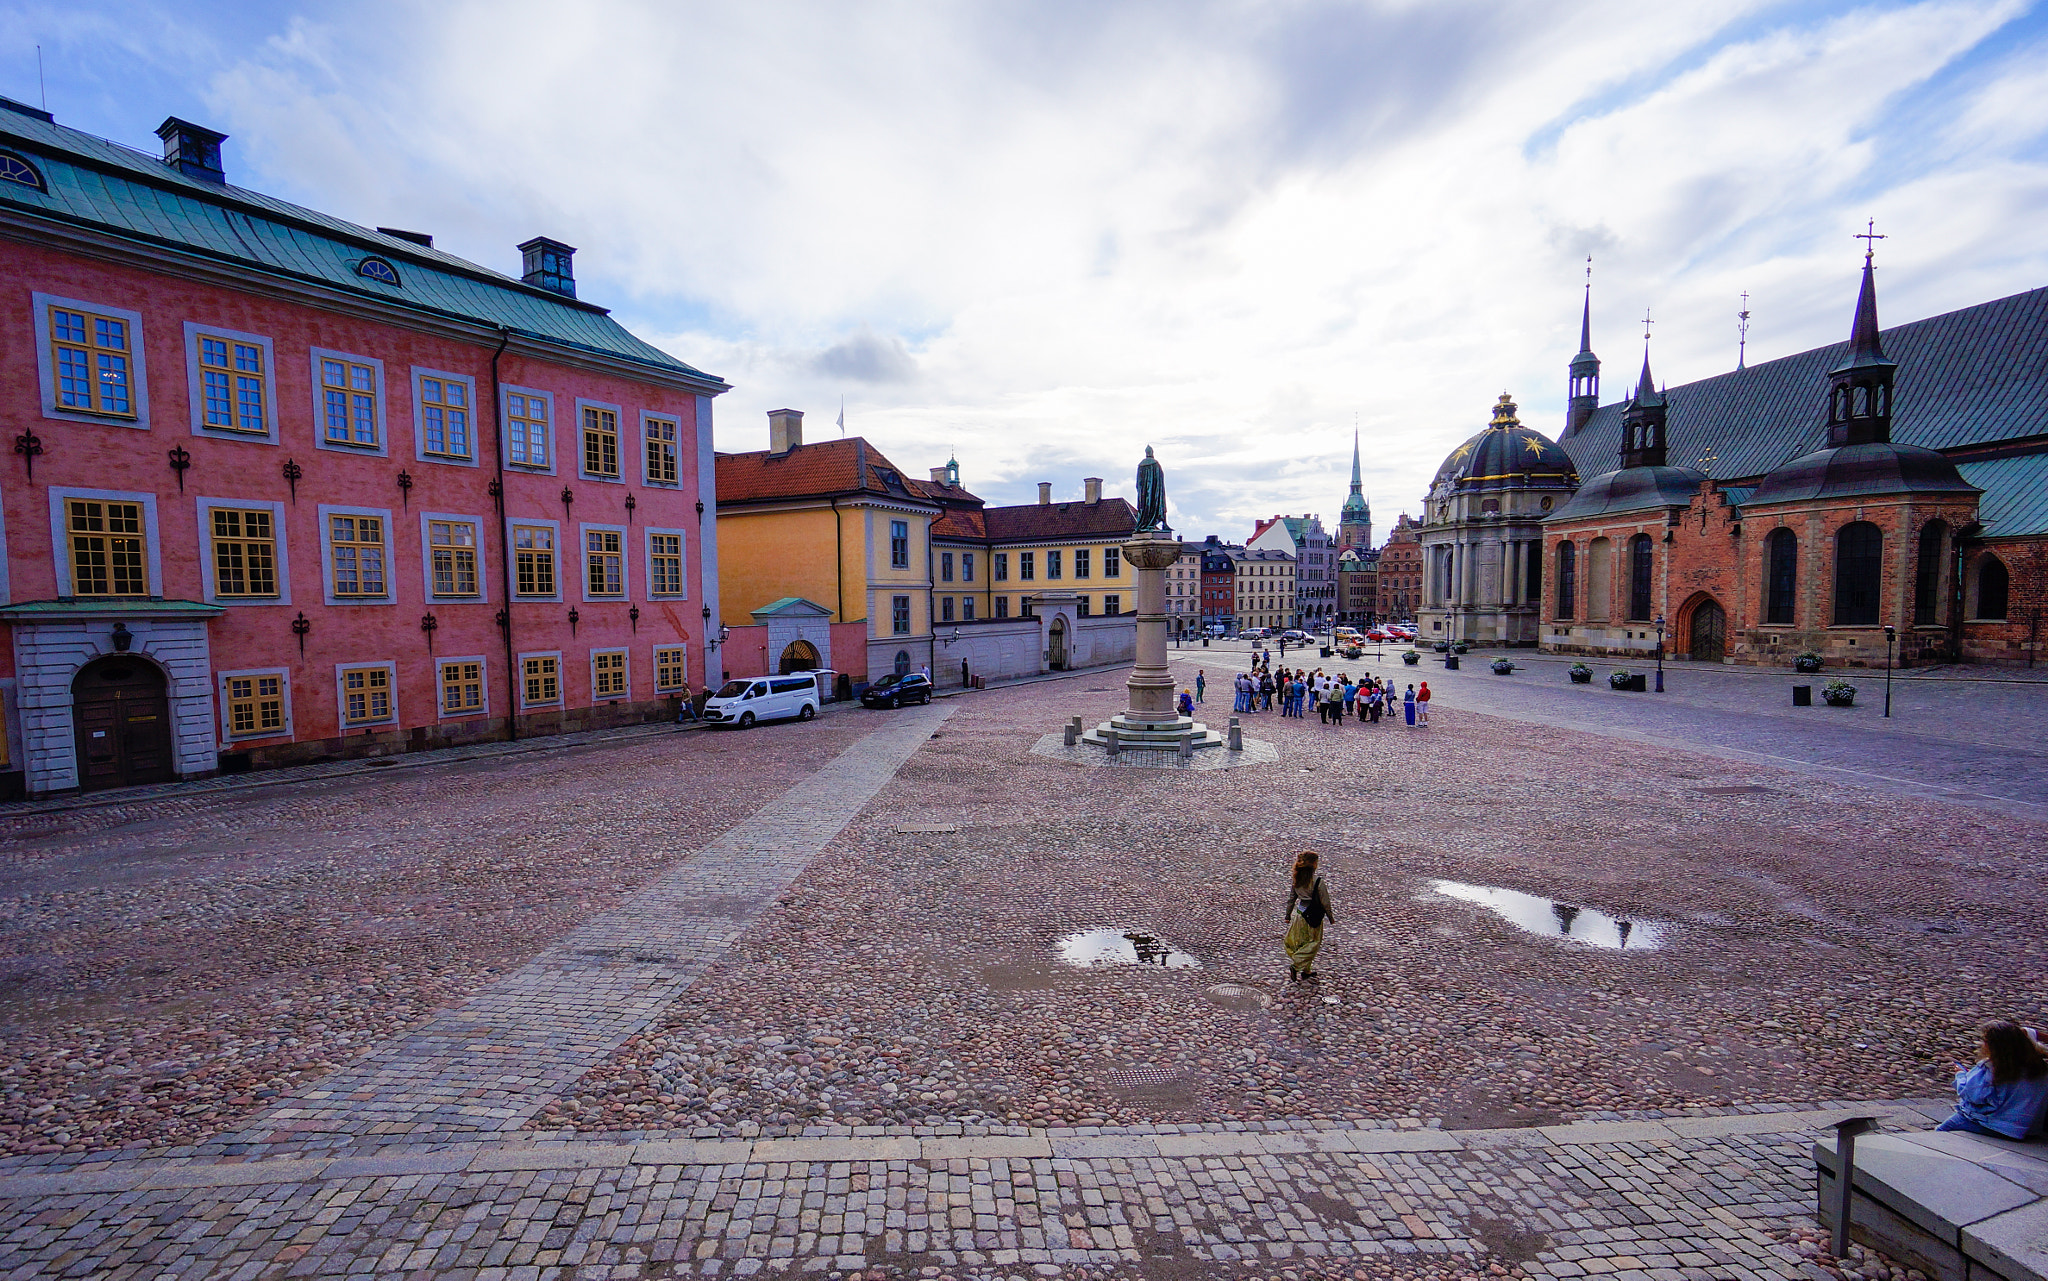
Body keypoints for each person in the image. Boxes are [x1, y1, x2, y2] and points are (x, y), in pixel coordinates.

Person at [1940, 1022, 2048, 1138]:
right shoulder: (2040, 1069)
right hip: (2025, 1127)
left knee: (1942, 1131)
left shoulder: (1992, 1068)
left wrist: (1960, 1075)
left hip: (1992, 1124)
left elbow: (1970, 1093)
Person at [1282, 850, 1335, 982]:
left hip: (1299, 915)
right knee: (1313, 943)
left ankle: (1306, 971)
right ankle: (1297, 965)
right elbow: (1325, 902)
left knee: (1301, 942)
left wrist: (1288, 915)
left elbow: (1291, 899)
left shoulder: (1297, 880)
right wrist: (1330, 917)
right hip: (1313, 916)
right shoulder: (1318, 882)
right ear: (1314, 864)